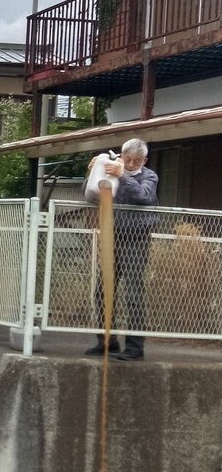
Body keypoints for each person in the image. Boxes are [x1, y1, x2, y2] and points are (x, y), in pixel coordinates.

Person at [83, 138, 159, 361]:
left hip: (137, 238)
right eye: (128, 159)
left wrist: (122, 174)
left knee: (134, 293)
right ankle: (107, 341)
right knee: (102, 291)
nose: (133, 164)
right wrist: (94, 171)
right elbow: (89, 194)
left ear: (144, 160)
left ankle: (135, 348)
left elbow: (144, 196)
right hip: (111, 234)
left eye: (137, 160)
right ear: (122, 155)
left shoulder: (149, 176)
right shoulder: (111, 166)